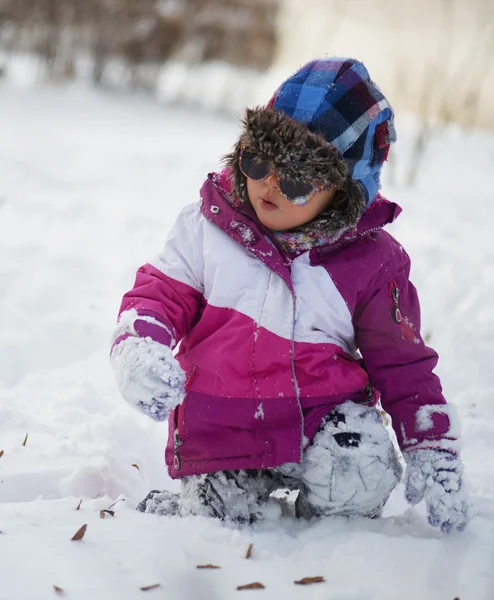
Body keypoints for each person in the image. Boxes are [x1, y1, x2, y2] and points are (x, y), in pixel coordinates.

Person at [110, 57, 474, 533]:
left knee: (358, 475)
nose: (269, 184)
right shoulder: (206, 228)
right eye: (257, 160)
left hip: (323, 424)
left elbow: (402, 363)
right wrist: (137, 346)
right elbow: (159, 294)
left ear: (343, 194)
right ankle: (203, 499)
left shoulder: (371, 262)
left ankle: (323, 536)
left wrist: (431, 445)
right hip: (223, 428)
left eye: (298, 177)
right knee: (216, 524)